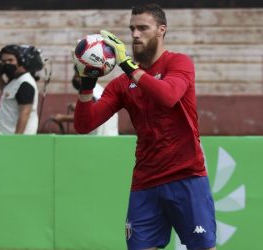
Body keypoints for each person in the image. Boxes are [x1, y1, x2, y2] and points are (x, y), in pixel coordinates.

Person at [73, 4, 216, 250]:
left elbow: (169, 95)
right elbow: (84, 124)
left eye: (143, 28)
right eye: (132, 29)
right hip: (146, 181)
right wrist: (86, 84)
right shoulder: (121, 84)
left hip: (186, 176)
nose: (135, 34)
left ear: (161, 30)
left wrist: (128, 67)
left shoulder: (179, 62)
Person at [51, 65, 119, 135]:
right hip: (110, 134)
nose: (75, 78)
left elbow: (87, 116)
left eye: (76, 75)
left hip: (102, 136)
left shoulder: (90, 92)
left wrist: (63, 118)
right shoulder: (97, 89)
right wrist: (76, 107)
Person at [0, 44, 39, 134]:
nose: (7, 64)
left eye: (10, 60)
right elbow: (6, 91)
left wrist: (16, 140)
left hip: (16, 141)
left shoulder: (24, 83)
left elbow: (25, 113)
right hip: (5, 139)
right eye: (3, 61)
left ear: (20, 62)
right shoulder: (15, 79)